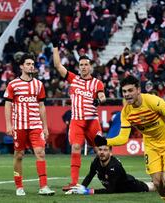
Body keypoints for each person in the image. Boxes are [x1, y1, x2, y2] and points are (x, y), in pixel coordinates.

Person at [94, 75, 165, 203]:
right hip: (150, 145)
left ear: (138, 90)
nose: (127, 94)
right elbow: (123, 138)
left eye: (130, 90)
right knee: (157, 183)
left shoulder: (152, 101)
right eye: (124, 91)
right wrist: (105, 141)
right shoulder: (126, 112)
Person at [52, 36, 107, 191]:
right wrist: (55, 47)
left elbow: (102, 96)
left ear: (90, 67)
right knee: (76, 147)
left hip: (92, 121)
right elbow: (57, 65)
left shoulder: (97, 82)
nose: (83, 67)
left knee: (100, 150)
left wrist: (99, 101)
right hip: (76, 121)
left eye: (86, 64)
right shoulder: (73, 79)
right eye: (81, 64)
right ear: (79, 67)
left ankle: (109, 174)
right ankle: (74, 182)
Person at [4, 54, 55, 196]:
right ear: (21, 66)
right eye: (28, 64)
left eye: (32, 63)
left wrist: (45, 127)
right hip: (19, 125)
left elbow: (42, 106)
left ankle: (43, 186)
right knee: (19, 155)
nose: (31, 66)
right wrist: (9, 125)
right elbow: (7, 105)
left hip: (35, 125)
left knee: (41, 153)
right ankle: (19, 186)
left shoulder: (39, 84)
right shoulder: (13, 84)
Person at [65, 145, 156, 195]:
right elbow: (90, 176)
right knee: (154, 184)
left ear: (111, 153)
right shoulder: (96, 161)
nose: (102, 152)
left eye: (105, 150)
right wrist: (81, 188)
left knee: (154, 187)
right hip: (118, 185)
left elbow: (111, 190)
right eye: (100, 149)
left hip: (131, 186)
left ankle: (162, 180)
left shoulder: (114, 166)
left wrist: (87, 192)